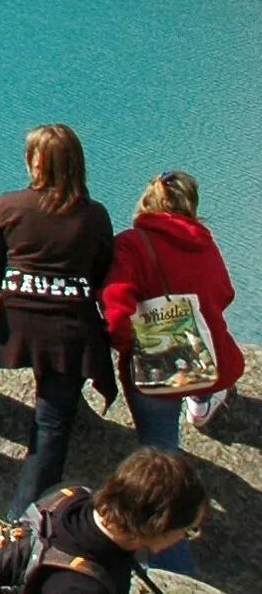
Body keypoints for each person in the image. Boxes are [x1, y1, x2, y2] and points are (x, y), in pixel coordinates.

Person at [100, 169, 239, 577]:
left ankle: (173, 569)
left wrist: (133, 348)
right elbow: (225, 293)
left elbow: (117, 314)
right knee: (193, 397)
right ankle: (201, 401)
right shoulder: (203, 242)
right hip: (203, 359)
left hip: (156, 371)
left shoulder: (130, 244)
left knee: (161, 462)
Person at [0, 124, 115, 520]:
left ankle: (18, 523)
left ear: (36, 162)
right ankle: (23, 517)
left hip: (19, 322)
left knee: (51, 411)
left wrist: (29, 291)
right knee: (53, 424)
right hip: (69, 331)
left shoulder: (8, 206)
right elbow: (101, 271)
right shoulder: (93, 215)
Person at [29, 449, 210, 594]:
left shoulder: (71, 497)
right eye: (189, 531)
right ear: (157, 527)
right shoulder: (79, 587)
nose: (186, 538)